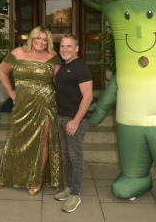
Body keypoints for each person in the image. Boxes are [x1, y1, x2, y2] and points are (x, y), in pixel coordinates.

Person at [0, 26, 63, 196]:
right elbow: (2, 71)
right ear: (31, 38)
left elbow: (60, 82)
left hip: (45, 103)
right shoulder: (17, 53)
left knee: (43, 139)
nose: (41, 42)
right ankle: (7, 175)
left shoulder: (53, 58)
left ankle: (36, 178)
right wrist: (10, 91)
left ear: (49, 42)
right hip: (22, 104)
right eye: (38, 38)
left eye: (45, 39)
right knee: (17, 139)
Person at [54, 33, 93, 212]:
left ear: (77, 48)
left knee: (75, 156)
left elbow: (88, 97)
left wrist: (76, 121)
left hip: (74, 120)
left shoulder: (81, 67)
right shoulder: (64, 66)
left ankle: (75, 194)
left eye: (69, 46)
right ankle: (68, 187)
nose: (65, 49)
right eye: (62, 46)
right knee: (66, 155)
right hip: (62, 118)